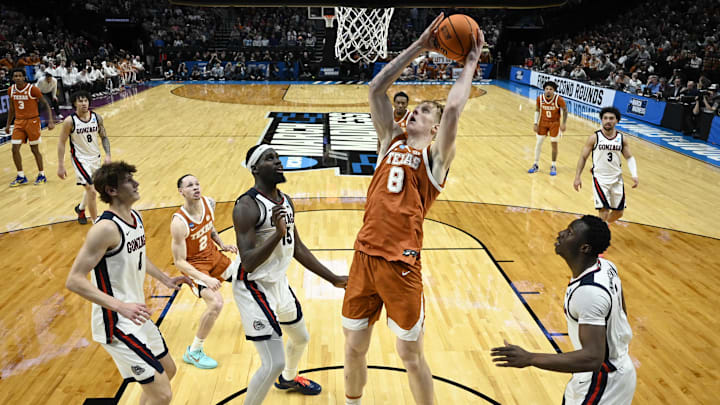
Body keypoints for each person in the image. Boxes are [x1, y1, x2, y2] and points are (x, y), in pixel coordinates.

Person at [342, 14, 484, 405]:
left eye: (424, 112)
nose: (414, 112)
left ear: (435, 129)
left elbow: (454, 110)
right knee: (353, 347)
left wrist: (469, 64)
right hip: (364, 255)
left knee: (410, 355)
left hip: (401, 265)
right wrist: (420, 46)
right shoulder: (389, 139)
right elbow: (375, 89)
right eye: (415, 109)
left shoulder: (436, 158)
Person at [65, 161, 191, 405]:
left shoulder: (135, 217)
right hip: (115, 322)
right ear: (112, 190)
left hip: (136, 315)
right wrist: (120, 306)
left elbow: (139, 258)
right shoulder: (105, 229)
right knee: (162, 393)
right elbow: (74, 280)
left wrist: (165, 279)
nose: (136, 184)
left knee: (169, 370)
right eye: (128, 181)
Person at [232, 145, 348, 404]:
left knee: (301, 338)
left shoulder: (285, 201)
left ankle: (289, 378)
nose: (278, 162)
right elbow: (249, 262)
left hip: (278, 282)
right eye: (269, 159)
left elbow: (297, 247)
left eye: (277, 157)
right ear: (255, 168)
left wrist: (334, 279)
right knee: (273, 362)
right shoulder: (247, 206)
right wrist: (276, 233)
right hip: (253, 287)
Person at [490, 215, 636, 405]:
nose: (560, 234)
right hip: (599, 374)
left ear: (584, 248)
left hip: (603, 381)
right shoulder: (606, 267)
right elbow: (621, 309)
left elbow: (593, 358)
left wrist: (530, 357)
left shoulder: (589, 293)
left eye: (569, 233)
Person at [171, 174, 239, 369]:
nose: (195, 187)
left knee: (246, 280)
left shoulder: (209, 203)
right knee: (216, 303)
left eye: (197, 184)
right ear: (181, 191)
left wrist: (222, 244)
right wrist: (204, 278)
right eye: (189, 185)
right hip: (195, 267)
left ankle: (255, 318)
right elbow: (179, 261)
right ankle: (194, 351)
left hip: (213, 256)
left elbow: (209, 227)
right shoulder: (179, 222)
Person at [573, 107, 638, 223]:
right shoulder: (594, 137)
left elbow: (629, 157)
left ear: (617, 121)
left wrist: (634, 174)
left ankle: (603, 227)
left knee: (619, 212)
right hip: (600, 178)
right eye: (605, 118)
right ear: (601, 120)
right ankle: (599, 235)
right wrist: (577, 176)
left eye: (611, 118)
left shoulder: (622, 139)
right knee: (604, 211)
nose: (608, 121)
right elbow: (583, 157)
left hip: (617, 178)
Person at [57, 91, 111, 224]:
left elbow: (104, 137)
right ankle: (95, 222)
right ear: (75, 103)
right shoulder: (70, 121)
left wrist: (108, 155)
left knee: (92, 188)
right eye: (80, 101)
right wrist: (60, 165)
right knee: (92, 191)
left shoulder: (97, 118)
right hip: (80, 160)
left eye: (85, 100)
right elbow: (61, 143)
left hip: (95, 158)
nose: (83, 103)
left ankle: (80, 209)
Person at [6, 68, 55, 187]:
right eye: (15, 76)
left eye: (19, 76)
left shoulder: (32, 89)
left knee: (34, 149)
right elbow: (12, 109)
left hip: (32, 121)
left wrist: (50, 121)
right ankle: (21, 176)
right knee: (14, 149)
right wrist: (8, 124)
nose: (17, 78)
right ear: (12, 78)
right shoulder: (10, 90)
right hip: (19, 122)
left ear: (24, 77)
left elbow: (46, 104)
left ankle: (41, 174)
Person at [528, 81, 567, 176]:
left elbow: (565, 110)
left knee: (554, 144)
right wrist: (535, 123)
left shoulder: (559, 99)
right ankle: (535, 164)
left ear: (554, 91)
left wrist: (564, 123)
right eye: (547, 89)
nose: (548, 91)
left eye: (551, 89)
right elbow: (537, 110)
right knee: (538, 143)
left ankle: (553, 165)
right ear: (544, 90)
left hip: (555, 123)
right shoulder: (539, 98)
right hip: (543, 123)